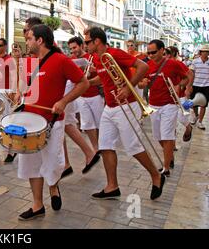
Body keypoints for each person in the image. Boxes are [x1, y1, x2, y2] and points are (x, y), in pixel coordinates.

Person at [16, 24, 89, 221]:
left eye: (29, 38)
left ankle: (54, 187)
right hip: (29, 121)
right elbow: (27, 89)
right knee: (31, 163)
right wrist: (19, 97)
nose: (27, 41)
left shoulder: (61, 60)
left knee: (51, 163)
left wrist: (64, 101)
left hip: (52, 122)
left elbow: (84, 83)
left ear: (40, 40)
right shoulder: (31, 62)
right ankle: (37, 204)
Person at [85, 27, 165, 200]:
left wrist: (128, 88)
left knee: (133, 147)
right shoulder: (98, 59)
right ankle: (111, 187)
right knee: (105, 146)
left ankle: (156, 176)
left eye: (87, 42)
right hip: (110, 107)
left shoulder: (114, 53)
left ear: (96, 41)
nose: (85, 45)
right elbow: (103, 76)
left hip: (127, 105)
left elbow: (142, 66)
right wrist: (87, 82)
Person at [138, 40, 191, 176]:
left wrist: (180, 86)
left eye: (153, 52)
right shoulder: (147, 65)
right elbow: (141, 83)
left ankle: (166, 167)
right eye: (148, 52)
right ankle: (170, 156)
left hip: (170, 104)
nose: (150, 55)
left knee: (167, 135)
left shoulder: (173, 63)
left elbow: (187, 76)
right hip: (154, 103)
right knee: (158, 136)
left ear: (162, 50)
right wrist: (142, 84)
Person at [67, 36, 104, 153]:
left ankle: (101, 145)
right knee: (88, 124)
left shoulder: (92, 57)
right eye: (71, 49)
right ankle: (95, 148)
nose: (73, 51)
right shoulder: (71, 59)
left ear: (82, 46)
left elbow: (103, 73)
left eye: (75, 47)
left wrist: (95, 70)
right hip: (81, 96)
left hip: (95, 95)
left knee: (99, 123)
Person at [166, 46, 194, 141]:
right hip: (168, 96)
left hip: (180, 95)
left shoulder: (177, 63)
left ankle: (188, 127)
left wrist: (188, 87)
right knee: (171, 121)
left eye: (167, 52)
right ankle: (171, 143)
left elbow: (190, 74)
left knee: (182, 118)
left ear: (173, 53)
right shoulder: (164, 64)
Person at [188, 44, 209, 130]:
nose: (206, 53)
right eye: (204, 51)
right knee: (194, 104)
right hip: (195, 85)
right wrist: (189, 86)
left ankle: (200, 121)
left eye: (207, 51)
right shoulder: (195, 61)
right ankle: (196, 116)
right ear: (201, 52)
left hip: (206, 86)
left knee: (203, 105)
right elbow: (191, 73)